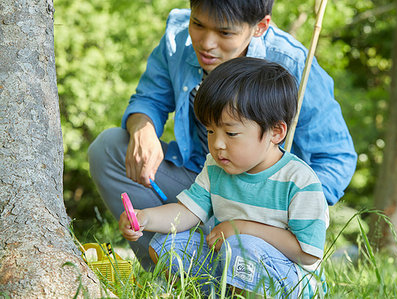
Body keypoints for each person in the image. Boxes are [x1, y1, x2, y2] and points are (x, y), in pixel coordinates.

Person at [88, 0, 356, 270]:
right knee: (109, 148)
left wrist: (279, 210)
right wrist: (143, 129)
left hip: (270, 207)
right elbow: (149, 99)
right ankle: (172, 274)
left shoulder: (294, 63)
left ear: (260, 26)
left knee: (249, 249)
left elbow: (336, 158)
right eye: (198, 24)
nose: (206, 43)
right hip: (205, 181)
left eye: (225, 33)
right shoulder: (177, 38)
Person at [119, 57, 329, 298]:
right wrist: (145, 218)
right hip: (232, 262)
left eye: (231, 133)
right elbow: (187, 212)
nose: (217, 144)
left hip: (288, 283)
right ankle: (205, 294)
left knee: (243, 245)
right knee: (167, 244)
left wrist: (242, 229)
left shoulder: (299, 181)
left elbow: (308, 253)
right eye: (210, 130)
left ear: (276, 132)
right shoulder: (216, 167)